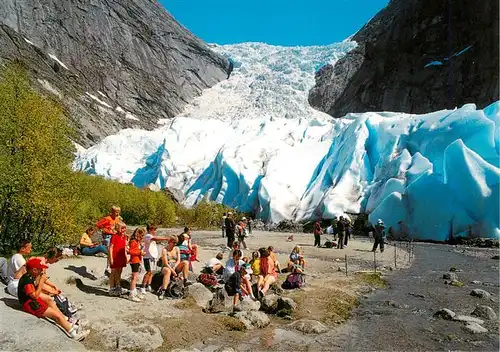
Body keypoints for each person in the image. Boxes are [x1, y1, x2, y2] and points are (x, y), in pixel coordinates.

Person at [18, 258, 89, 340]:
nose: (42, 270)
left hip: (30, 300)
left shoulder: (30, 276)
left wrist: (45, 283)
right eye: (40, 269)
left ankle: (66, 321)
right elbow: (35, 296)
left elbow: (36, 286)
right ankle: (73, 334)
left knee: (49, 300)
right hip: (30, 304)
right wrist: (41, 282)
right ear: (34, 270)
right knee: (56, 315)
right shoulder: (27, 281)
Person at [140, 224, 169, 294]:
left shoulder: (151, 236)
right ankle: (143, 287)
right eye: (154, 230)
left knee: (151, 272)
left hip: (152, 256)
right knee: (148, 272)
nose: (155, 231)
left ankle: (148, 285)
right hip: (148, 257)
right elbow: (155, 238)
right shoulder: (148, 236)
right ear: (150, 230)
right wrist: (165, 238)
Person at [108, 222, 128, 296]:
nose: (124, 229)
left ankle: (118, 286)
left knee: (119, 271)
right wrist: (111, 258)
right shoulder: (114, 236)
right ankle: (111, 288)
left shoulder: (124, 237)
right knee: (113, 272)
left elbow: (124, 247)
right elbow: (111, 248)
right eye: (122, 228)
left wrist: (126, 257)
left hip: (121, 256)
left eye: (124, 228)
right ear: (117, 228)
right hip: (115, 256)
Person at [128, 228, 146, 302]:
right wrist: (140, 252)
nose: (143, 237)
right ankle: (131, 294)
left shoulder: (137, 242)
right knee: (134, 277)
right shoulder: (133, 242)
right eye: (142, 235)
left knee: (135, 276)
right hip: (134, 260)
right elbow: (131, 251)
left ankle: (134, 292)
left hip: (137, 260)